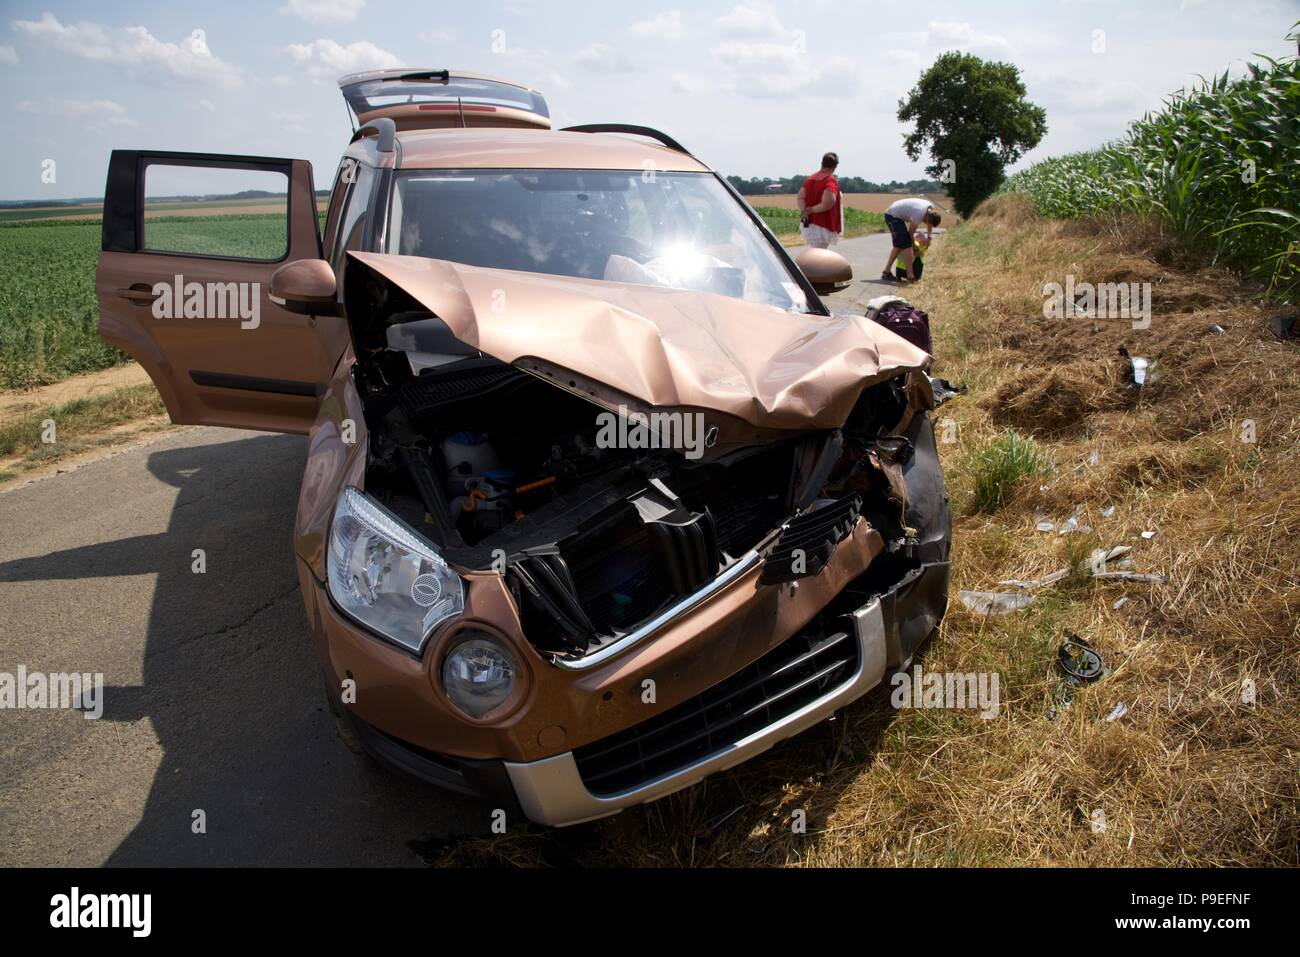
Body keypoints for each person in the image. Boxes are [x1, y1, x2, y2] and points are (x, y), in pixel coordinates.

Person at [881, 197, 941, 283]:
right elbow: (911, 233)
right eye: (925, 221)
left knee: (899, 245)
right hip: (891, 215)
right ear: (926, 217)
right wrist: (915, 248)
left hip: (897, 215)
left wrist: (929, 238)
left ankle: (886, 272)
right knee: (906, 244)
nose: (924, 223)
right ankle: (910, 276)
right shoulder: (919, 214)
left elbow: (929, 224)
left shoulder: (931, 210)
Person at [797, 152, 843, 249]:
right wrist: (811, 210)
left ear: (822, 163)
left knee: (814, 250)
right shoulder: (830, 180)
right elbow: (828, 203)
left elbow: (800, 197)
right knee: (819, 254)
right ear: (835, 166)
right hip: (823, 223)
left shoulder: (810, 179)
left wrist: (805, 211)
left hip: (809, 221)